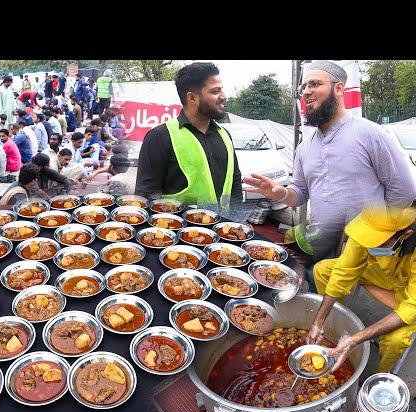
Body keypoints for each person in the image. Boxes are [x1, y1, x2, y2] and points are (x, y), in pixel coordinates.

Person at [243, 60, 416, 265]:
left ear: (339, 88)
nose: (306, 91)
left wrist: (375, 232)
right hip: (320, 245)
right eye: (304, 86)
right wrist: (279, 193)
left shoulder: (369, 133)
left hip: (364, 252)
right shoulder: (305, 148)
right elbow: (300, 193)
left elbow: (404, 190)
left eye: (315, 84)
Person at [310, 206, 416, 373]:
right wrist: (318, 322)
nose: (367, 246)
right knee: (323, 270)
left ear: (405, 235)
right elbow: (343, 272)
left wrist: (354, 340)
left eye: (377, 242)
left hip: (411, 293)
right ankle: (336, 330)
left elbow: (410, 308)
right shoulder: (369, 224)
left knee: (396, 340)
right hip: (383, 274)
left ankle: (376, 377)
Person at [135, 62, 241, 214]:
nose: (223, 96)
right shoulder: (160, 137)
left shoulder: (224, 135)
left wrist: (236, 223)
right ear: (192, 98)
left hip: (221, 232)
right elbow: (147, 194)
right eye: (215, 91)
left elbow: (235, 184)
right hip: (178, 234)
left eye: (221, 89)